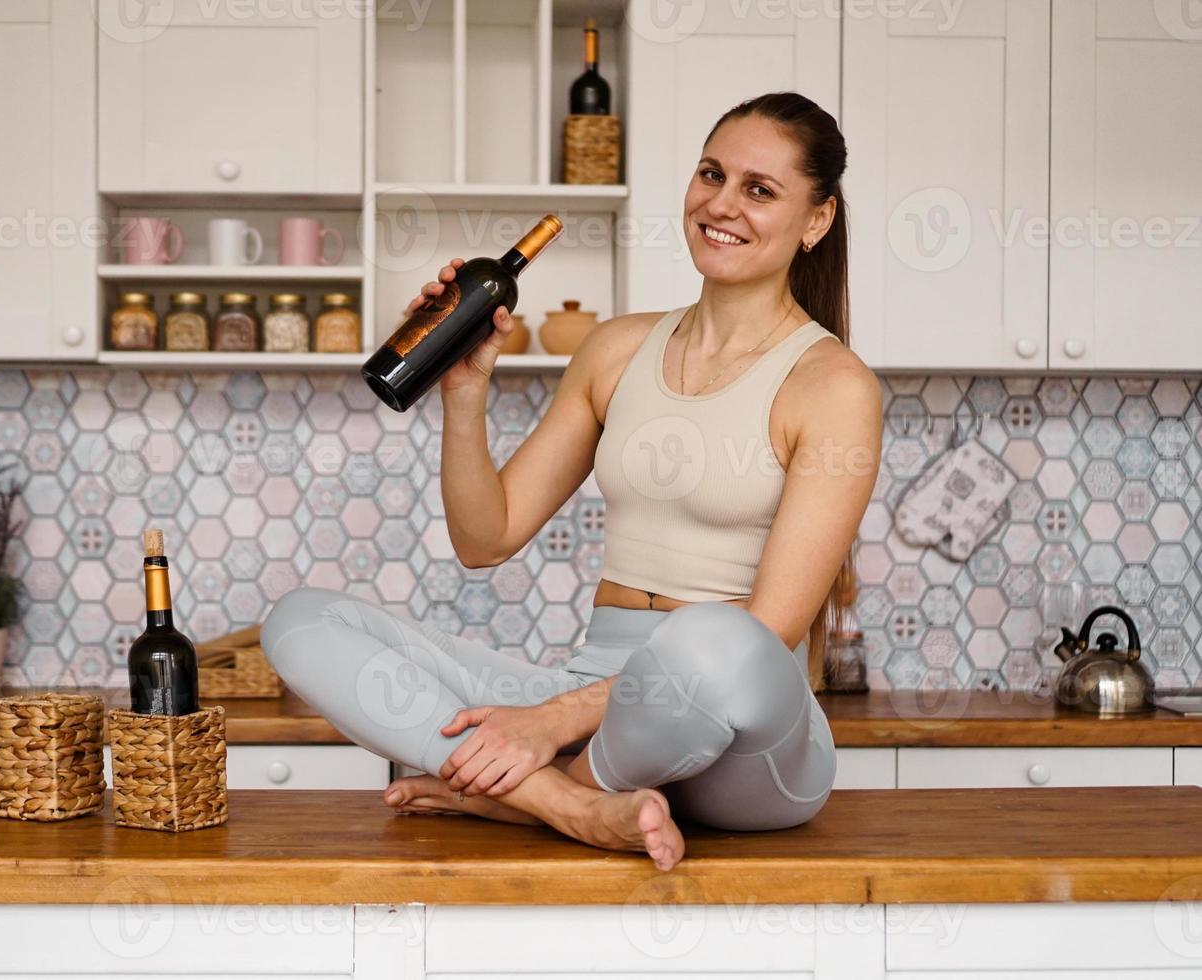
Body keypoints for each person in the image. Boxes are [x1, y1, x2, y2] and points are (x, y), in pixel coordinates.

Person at [261, 92, 881, 871]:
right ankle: (569, 804)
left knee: (717, 636)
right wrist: (465, 390)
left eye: (759, 190)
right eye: (711, 174)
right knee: (300, 620)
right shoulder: (616, 350)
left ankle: (514, 795)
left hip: (747, 736)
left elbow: (768, 633)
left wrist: (549, 723)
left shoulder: (834, 385)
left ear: (816, 220)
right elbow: (486, 539)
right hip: (597, 688)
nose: (721, 204)